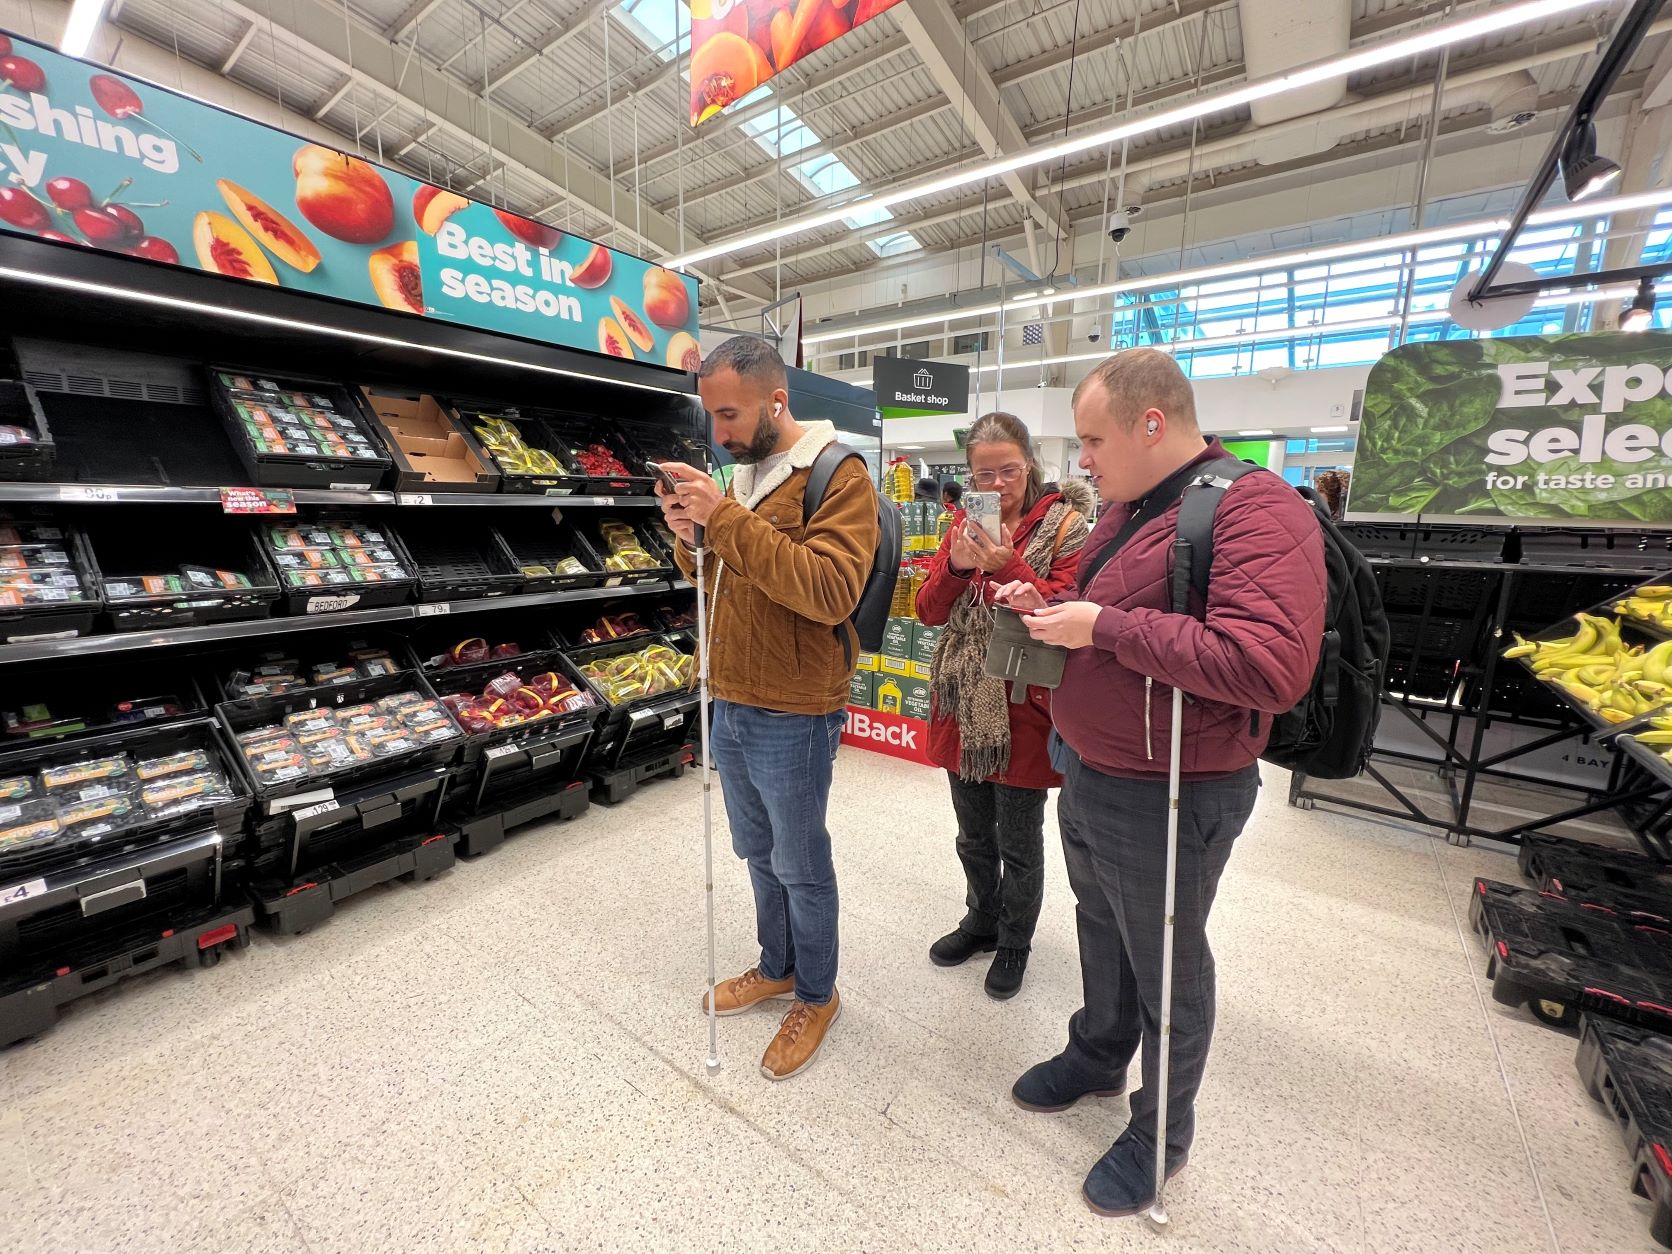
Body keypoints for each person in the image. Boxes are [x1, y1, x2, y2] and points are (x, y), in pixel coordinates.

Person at [995, 348, 1326, 1217]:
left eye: (1095, 439)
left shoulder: (1258, 507)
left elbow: (1268, 664)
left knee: (1169, 961)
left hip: (1175, 785)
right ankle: (1098, 1054)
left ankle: (1161, 1132)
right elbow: (1102, 606)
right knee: (1101, 927)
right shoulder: (1128, 509)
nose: (1085, 460)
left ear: (1153, 423)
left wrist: (1102, 626)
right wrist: (1042, 602)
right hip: (1092, 767)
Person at [657, 336, 880, 1082]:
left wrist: (723, 519)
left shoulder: (836, 474)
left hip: (796, 707)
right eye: (710, 415)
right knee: (756, 852)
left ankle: (817, 995)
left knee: (800, 860)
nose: (717, 433)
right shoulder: (745, 476)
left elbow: (828, 590)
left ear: (775, 401)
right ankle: (776, 965)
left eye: (729, 414)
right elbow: (725, 574)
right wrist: (691, 538)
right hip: (734, 695)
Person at [915, 413, 1088, 1000]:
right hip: (963, 697)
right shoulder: (963, 525)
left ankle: (1016, 941)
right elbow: (928, 611)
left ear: (1031, 463)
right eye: (981, 473)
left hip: (1023, 702)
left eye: (1007, 469)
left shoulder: (1066, 525)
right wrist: (960, 565)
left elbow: (1065, 612)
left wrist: (1004, 565)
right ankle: (980, 920)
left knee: (1018, 836)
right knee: (972, 833)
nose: (994, 484)